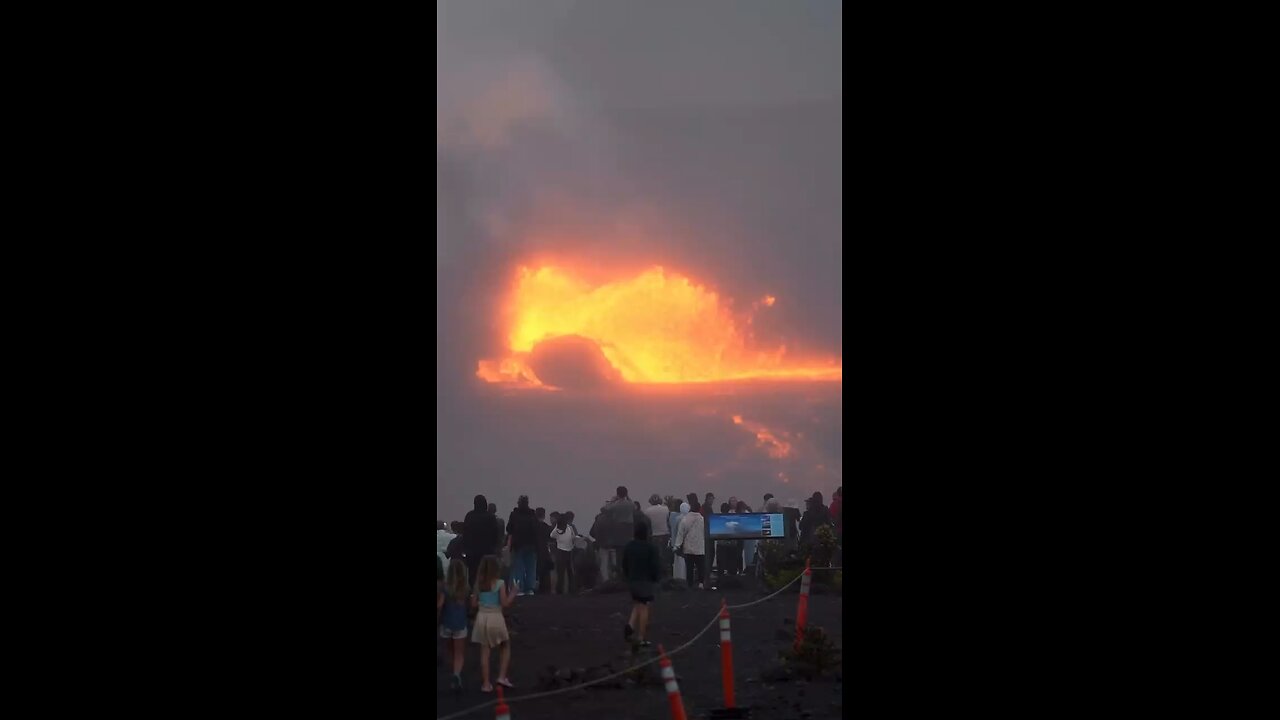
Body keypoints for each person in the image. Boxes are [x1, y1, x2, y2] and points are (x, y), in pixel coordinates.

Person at [471, 555, 516, 693]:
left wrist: (478, 601)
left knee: (485, 652)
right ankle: (501, 677)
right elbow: (505, 603)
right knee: (505, 645)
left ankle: (486, 684)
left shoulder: (479, 584)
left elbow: (473, 604)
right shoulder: (500, 583)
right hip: (496, 617)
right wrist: (513, 593)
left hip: (482, 618)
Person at [621, 522, 661, 646]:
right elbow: (655, 566)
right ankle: (641, 638)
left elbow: (624, 564)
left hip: (633, 580)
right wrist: (656, 578)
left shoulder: (629, 546)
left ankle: (630, 626)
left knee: (638, 603)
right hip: (645, 581)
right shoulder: (650, 548)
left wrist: (627, 577)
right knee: (644, 607)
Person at [438, 558, 470, 692]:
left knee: (450, 650)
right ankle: (456, 674)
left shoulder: (445, 589)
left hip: (446, 624)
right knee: (459, 653)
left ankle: (453, 670)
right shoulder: (465, 589)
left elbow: (439, 605)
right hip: (460, 625)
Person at [506, 496, 539, 596]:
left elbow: (509, 529)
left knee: (518, 567)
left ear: (519, 503)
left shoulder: (514, 514)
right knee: (530, 568)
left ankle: (518, 589)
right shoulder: (532, 514)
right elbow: (536, 530)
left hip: (518, 545)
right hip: (531, 544)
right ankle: (530, 589)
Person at [463, 496, 499, 587]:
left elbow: (465, 533)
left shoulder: (469, 516)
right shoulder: (490, 517)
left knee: (473, 572)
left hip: (472, 550)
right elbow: (495, 534)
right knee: (487, 572)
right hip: (487, 550)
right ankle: (485, 591)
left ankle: (473, 590)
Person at [600, 486, 634, 580]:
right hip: (629, 530)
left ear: (617, 493)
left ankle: (619, 576)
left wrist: (612, 500)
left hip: (618, 530)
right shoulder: (630, 504)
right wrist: (628, 497)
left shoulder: (616, 505)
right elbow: (634, 506)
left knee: (619, 554)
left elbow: (604, 509)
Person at [673, 500, 706, 589]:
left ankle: (690, 584)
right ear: (699, 509)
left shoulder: (685, 519)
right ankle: (701, 583)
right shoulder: (702, 519)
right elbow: (705, 533)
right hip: (700, 548)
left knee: (689, 568)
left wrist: (677, 546)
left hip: (688, 548)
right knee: (700, 567)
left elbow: (680, 534)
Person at [644, 494, 671, 578]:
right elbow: (668, 521)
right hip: (665, 534)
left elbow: (647, 524)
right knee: (664, 554)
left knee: (655, 555)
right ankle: (665, 573)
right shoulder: (666, 509)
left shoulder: (647, 511)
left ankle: (657, 573)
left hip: (654, 535)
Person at [550, 513, 576, 594]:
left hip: (560, 551)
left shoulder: (557, 529)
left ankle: (559, 589)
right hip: (569, 551)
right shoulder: (570, 528)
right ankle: (572, 589)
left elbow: (552, 536)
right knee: (570, 571)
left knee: (560, 572)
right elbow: (573, 537)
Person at [535, 508, 553, 594]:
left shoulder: (533, 526)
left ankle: (536, 588)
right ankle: (546, 589)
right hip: (545, 551)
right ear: (544, 515)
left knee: (535, 571)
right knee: (545, 572)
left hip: (535, 551)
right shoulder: (547, 527)